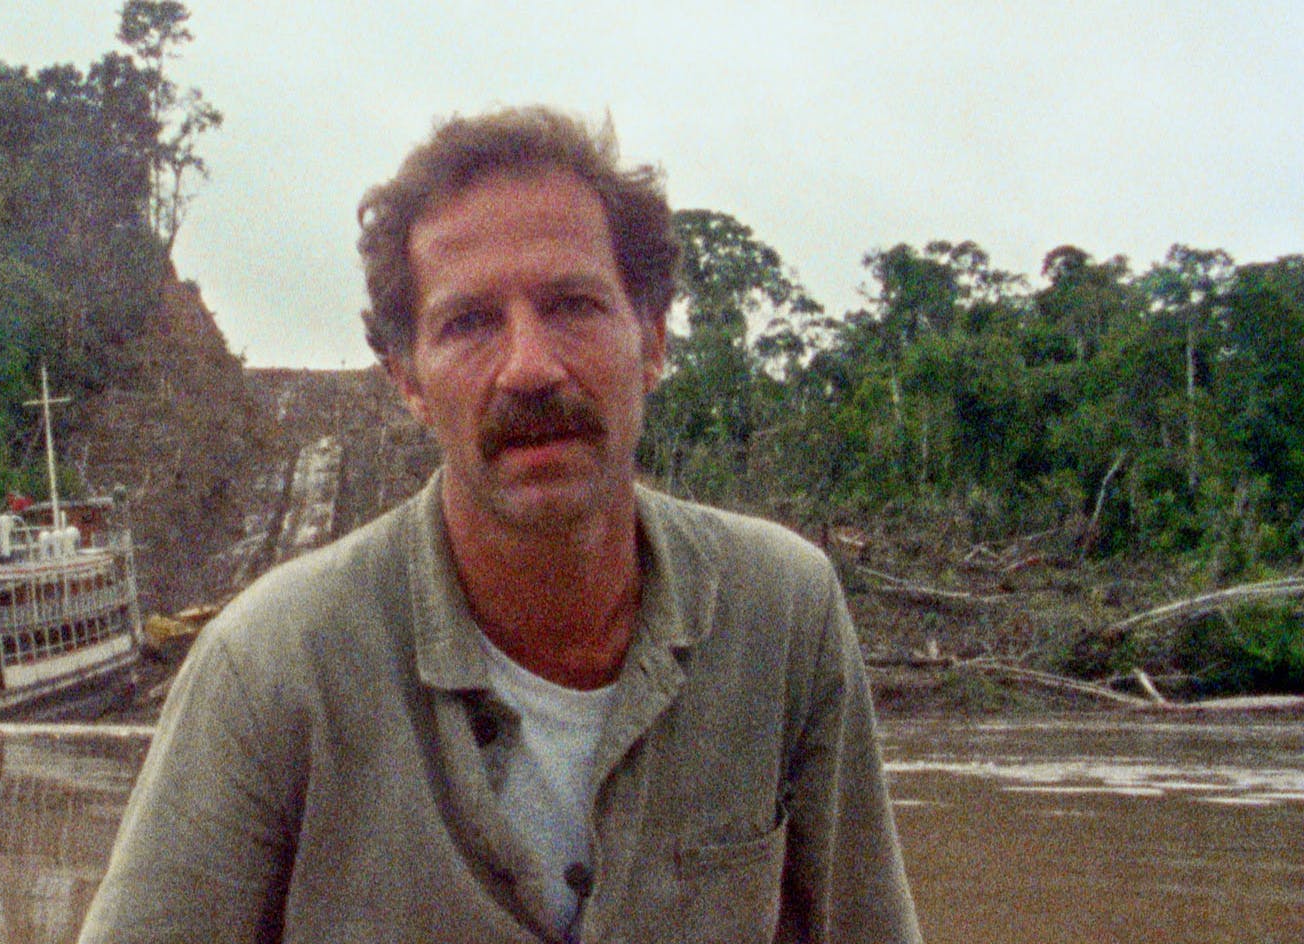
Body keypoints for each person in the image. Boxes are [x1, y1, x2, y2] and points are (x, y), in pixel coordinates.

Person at [78, 105, 922, 944]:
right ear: (406, 377)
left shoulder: (782, 616)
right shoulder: (267, 669)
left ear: (654, 339)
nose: (528, 367)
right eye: (471, 322)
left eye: (574, 305)